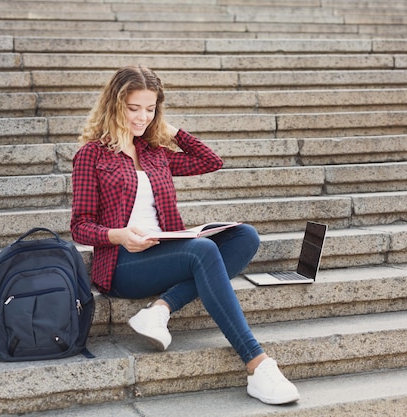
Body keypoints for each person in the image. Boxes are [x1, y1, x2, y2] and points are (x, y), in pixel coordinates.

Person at [70, 65, 300, 405]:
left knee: (245, 237)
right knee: (203, 252)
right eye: (134, 108)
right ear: (114, 105)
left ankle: (161, 308)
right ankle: (257, 364)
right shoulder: (92, 155)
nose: (142, 117)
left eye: (150, 109)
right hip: (121, 264)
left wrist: (168, 129)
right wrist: (119, 235)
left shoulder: (154, 152)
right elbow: (80, 225)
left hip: (164, 249)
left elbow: (211, 161)